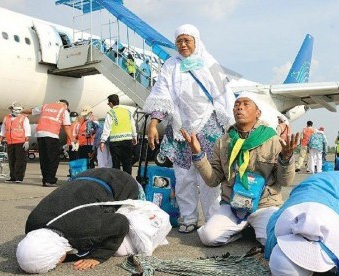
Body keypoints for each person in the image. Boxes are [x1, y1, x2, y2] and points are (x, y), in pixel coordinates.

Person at [143, 24, 236, 233]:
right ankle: (188, 217)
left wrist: (232, 127)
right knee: (184, 177)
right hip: (180, 128)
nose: (183, 45)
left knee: (209, 177)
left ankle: (213, 218)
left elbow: (225, 97)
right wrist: (153, 123)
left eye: (187, 41)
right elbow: (162, 95)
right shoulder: (170, 65)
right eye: (179, 41)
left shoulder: (210, 64)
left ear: (196, 41)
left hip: (209, 127)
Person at [181, 92, 297, 246]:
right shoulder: (223, 142)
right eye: (236, 105)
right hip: (233, 205)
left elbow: (286, 181)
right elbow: (212, 180)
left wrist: (286, 159)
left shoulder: (273, 140)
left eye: (245, 104)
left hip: (264, 205)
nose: (239, 108)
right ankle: (240, 230)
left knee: (273, 241)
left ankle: (252, 228)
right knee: (208, 237)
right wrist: (198, 155)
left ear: (258, 113)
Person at [16, 168, 139, 273]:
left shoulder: (84, 231)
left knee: (123, 248)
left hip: (120, 182)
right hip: (86, 175)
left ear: (58, 258)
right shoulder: (32, 225)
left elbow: (121, 223)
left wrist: (98, 256)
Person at [23, 99, 76, 187]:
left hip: (40, 135)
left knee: (44, 159)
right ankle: (50, 180)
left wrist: (21, 111)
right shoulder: (64, 110)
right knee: (53, 159)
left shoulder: (46, 106)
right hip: (52, 135)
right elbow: (66, 126)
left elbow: (32, 111)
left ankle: (45, 180)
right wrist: (72, 139)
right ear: (66, 105)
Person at [100, 94, 137, 175]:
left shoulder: (110, 113)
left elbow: (107, 128)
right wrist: (134, 136)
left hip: (115, 142)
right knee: (127, 163)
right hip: (127, 140)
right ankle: (128, 181)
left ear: (111, 103)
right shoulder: (127, 111)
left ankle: (117, 182)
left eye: (108, 103)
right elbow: (132, 125)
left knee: (116, 164)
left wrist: (102, 141)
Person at [0, 102, 31, 183]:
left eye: (20, 110)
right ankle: (13, 177)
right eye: (16, 109)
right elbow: (3, 130)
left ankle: (19, 178)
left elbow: (27, 130)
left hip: (21, 142)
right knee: (12, 160)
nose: (18, 111)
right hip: (10, 142)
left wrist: (26, 141)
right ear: (12, 109)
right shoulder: (6, 118)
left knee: (20, 160)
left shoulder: (24, 118)